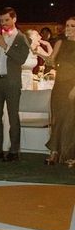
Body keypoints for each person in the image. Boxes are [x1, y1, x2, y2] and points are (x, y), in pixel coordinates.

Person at [0, 7, 31, 162]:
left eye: (7, 20)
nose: (4, 23)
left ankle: (14, 151)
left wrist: (5, 45)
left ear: (14, 19)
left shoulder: (22, 38)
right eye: (1, 20)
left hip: (12, 83)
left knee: (13, 117)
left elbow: (21, 59)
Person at [45, 16, 75, 166]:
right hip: (59, 86)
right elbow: (50, 62)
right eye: (67, 25)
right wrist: (41, 54)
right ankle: (54, 152)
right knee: (57, 119)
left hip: (73, 86)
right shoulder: (60, 42)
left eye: (73, 25)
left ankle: (71, 155)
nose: (69, 28)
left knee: (71, 121)